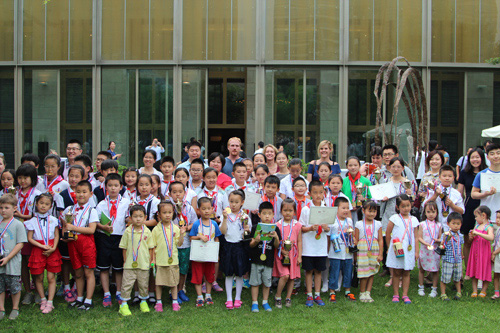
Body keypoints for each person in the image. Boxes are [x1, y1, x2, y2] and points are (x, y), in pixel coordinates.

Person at [95, 174, 131, 307]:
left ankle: (119, 292)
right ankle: (106, 293)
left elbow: (128, 217)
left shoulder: (126, 203)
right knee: (104, 267)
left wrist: (129, 220)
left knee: (118, 267)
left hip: (119, 238)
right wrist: (102, 226)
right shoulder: (101, 204)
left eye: (116, 186)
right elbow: (95, 221)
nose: (113, 188)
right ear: (106, 188)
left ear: (121, 187)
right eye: (110, 186)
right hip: (105, 237)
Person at [62, 180, 98, 310]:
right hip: (73, 243)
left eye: (84, 192)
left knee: (88, 272)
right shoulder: (69, 210)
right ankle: (79, 298)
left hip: (86, 243)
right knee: (77, 272)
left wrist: (73, 227)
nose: (81, 195)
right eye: (78, 192)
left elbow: (91, 230)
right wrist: (65, 235)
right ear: (74, 193)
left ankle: (88, 299)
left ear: (90, 194)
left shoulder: (92, 210)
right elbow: (65, 227)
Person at [25, 193, 61, 314]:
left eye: (46, 204)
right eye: (41, 203)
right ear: (36, 204)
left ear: (51, 206)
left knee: (51, 277)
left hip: (52, 249)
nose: (43, 206)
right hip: (38, 249)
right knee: (38, 277)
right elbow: (30, 238)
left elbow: (57, 235)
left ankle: (50, 301)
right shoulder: (32, 221)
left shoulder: (54, 220)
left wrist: (53, 247)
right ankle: (43, 299)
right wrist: (41, 246)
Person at [53, 165, 84, 303]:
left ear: (82, 178)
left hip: (82, 235)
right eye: (71, 176)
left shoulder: (86, 193)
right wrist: (65, 234)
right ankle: (66, 286)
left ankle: (77, 286)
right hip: (66, 234)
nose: (73, 179)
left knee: (79, 261)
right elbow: (61, 216)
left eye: (77, 176)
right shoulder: (62, 195)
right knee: (66, 261)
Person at [118, 205, 154, 316]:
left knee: (143, 283)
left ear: (145, 217)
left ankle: (143, 301)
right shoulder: (128, 232)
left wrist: (151, 261)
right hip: (130, 263)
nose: (138, 219)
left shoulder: (147, 232)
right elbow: (124, 248)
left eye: (140, 216)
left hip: (143, 263)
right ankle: (123, 304)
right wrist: (125, 261)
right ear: (130, 218)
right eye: (135, 216)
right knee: (127, 284)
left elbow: (151, 248)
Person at [299, 180, 330, 307]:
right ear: (309, 193)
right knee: (309, 270)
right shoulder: (306, 209)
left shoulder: (326, 209)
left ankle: (317, 294)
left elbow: (329, 229)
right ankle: (309, 294)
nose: (318, 195)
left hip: (320, 246)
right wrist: (310, 228)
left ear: (324, 193)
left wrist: (326, 228)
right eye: (315, 192)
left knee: (319, 271)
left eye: (321, 192)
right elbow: (301, 227)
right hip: (309, 246)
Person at [14, 164, 41, 305]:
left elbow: (39, 214)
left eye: (26, 178)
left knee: (34, 263)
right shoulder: (14, 193)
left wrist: (21, 215)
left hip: (32, 233)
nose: (22, 181)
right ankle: (28, 292)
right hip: (17, 233)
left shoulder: (36, 194)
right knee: (22, 263)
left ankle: (38, 291)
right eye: (20, 178)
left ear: (33, 179)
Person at [457, 148, 487, 271]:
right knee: (468, 239)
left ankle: (480, 269)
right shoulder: (464, 173)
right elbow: (460, 192)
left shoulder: (487, 173)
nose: (475, 160)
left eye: (477, 157)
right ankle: (468, 269)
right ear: (469, 159)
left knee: (482, 240)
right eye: (472, 157)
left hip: (484, 206)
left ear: (482, 158)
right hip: (469, 207)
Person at [248, 201, 280, 313]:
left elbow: (277, 246)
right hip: (256, 259)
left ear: (273, 215)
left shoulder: (275, 229)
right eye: (264, 213)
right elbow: (251, 245)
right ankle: (254, 302)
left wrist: (276, 238)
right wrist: (256, 241)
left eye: (269, 213)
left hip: (269, 260)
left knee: (267, 282)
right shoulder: (256, 227)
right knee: (255, 282)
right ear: (259, 214)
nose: (267, 216)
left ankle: (265, 302)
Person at [152, 201, 185, 312]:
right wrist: (153, 259)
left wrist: (182, 234)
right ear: (159, 214)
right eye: (164, 212)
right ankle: (159, 302)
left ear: (173, 213)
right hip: (160, 261)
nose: (167, 215)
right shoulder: (156, 229)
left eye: (170, 212)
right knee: (159, 283)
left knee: (173, 282)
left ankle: (175, 301)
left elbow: (179, 244)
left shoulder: (175, 228)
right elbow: (153, 246)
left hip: (173, 261)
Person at [386, 195, 419, 304]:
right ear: (397, 207)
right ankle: (396, 294)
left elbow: (416, 236)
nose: (406, 208)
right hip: (397, 249)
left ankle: (405, 294)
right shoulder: (394, 219)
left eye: (408, 205)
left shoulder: (414, 220)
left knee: (406, 272)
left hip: (409, 250)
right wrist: (389, 247)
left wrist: (417, 251)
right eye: (403, 206)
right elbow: (388, 233)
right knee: (396, 272)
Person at [189, 197, 222, 307]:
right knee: (198, 275)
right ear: (199, 210)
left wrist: (216, 253)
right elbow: (191, 238)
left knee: (209, 275)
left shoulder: (214, 224)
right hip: (198, 254)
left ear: (212, 209)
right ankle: (199, 296)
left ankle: (208, 295)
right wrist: (199, 237)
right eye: (203, 209)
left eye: (209, 208)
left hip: (210, 254)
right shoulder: (196, 224)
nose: (206, 211)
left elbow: (217, 238)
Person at [220, 190, 250, 309]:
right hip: (228, 246)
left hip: (239, 246)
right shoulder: (226, 215)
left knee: (239, 273)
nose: (233, 204)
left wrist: (246, 228)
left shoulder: (245, 216)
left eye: (236, 202)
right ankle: (229, 298)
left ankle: (238, 298)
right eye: (231, 201)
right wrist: (225, 218)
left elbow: (246, 235)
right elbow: (222, 231)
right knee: (228, 273)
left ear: (242, 202)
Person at [0, 194, 27, 320]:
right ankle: (2, 309)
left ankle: (15, 308)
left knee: (14, 285)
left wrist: (8, 258)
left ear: (14, 208)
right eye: (1, 208)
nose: (3, 210)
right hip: (1, 259)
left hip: (12, 260)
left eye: (6, 207)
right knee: (0, 285)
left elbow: (20, 243)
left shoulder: (18, 224)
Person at [169, 181, 197, 304]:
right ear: (170, 194)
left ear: (185, 193)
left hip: (185, 243)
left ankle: (180, 290)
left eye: (180, 192)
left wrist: (187, 228)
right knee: (172, 268)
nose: (177, 195)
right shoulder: (167, 208)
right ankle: (172, 291)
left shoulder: (189, 208)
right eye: (174, 192)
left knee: (183, 268)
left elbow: (194, 223)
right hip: (171, 243)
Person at [273, 199, 302, 309]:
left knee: (292, 277)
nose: (288, 213)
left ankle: (288, 297)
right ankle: (278, 296)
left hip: (293, 255)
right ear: (281, 211)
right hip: (281, 254)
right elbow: (275, 241)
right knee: (285, 276)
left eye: (290, 210)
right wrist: (280, 248)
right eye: (285, 210)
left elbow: (299, 241)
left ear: (294, 212)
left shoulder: (297, 225)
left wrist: (299, 256)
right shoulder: (277, 225)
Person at [329, 197, 357, 302]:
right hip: (335, 251)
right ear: (336, 209)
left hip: (347, 251)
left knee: (348, 271)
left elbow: (352, 233)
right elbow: (328, 235)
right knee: (334, 271)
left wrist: (353, 239)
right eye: (343, 208)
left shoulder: (349, 220)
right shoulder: (332, 221)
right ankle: (332, 291)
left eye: (347, 208)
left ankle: (347, 290)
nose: (346, 210)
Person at [355, 200, 383, 303]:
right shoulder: (359, 224)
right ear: (363, 210)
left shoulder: (378, 224)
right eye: (369, 211)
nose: (372, 214)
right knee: (363, 271)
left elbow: (380, 239)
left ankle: (368, 292)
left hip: (374, 249)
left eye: (374, 211)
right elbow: (356, 239)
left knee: (371, 271)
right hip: (362, 250)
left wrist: (380, 253)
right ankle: (362, 292)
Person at [423, 165, 464, 232]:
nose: (447, 178)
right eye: (444, 176)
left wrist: (452, 205)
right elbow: (425, 205)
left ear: (453, 178)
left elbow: (462, 211)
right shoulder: (433, 190)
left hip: (451, 227)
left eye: (450, 176)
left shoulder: (456, 193)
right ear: (439, 177)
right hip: (435, 225)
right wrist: (435, 195)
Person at [466, 206, 494, 297]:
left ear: (483, 215)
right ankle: (474, 290)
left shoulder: (489, 227)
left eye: (476, 216)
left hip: (484, 252)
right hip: (475, 251)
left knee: (485, 268)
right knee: (474, 268)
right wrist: (471, 237)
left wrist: (478, 233)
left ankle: (483, 290)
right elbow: (472, 239)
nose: (475, 218)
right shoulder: (477, 225)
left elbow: (491, 237)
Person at [417, 201, 441, 298]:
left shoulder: (438, 225)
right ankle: (421, 286)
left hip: (434, 251)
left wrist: (437, 240)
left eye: (433, 212)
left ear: (436, 213)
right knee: (422, 268)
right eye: (428, 212)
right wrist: (425, 243)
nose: (431, 214)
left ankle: (434, 288)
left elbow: (440, 238)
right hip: (424, 249)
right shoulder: (422, 224)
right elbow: (419, 237)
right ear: (425, 213)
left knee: (435, 269)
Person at [439, 212, 464, 301]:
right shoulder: (446, 234)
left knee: (457, 277)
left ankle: (459, 292)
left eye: (458, 224)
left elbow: (460, 246)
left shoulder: (460, 236)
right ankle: (443, 293)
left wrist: (461, 255)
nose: (456, 226)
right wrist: (445, 239)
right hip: (448, 259)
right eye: (453, 223)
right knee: (445, 276)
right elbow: (442, 244)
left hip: (458, 260)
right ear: (448, 224)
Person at [471, 143, 500, 218]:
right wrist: (486, 194)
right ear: (487, 157)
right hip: (485, 218)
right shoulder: (482, 174)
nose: (496, 156)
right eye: (492, 154)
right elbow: (473, 194)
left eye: (498, 153)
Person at [342, 156, 372, 223]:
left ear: (359, 166)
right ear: (347, 167)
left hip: (361, 212)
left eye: (355, 165)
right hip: (347, 212)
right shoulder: (343, 182)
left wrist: (364, 199)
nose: (353, 167)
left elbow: (372, 198)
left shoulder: (366, 181)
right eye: (350, 165)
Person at [491, 210, 500, 300]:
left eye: (499, 218)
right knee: (496, 275)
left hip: (498, 254)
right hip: (497, 256)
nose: (497, 220)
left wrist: (494, 252)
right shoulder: (497, 230)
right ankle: (496, 292)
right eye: (497, 218)